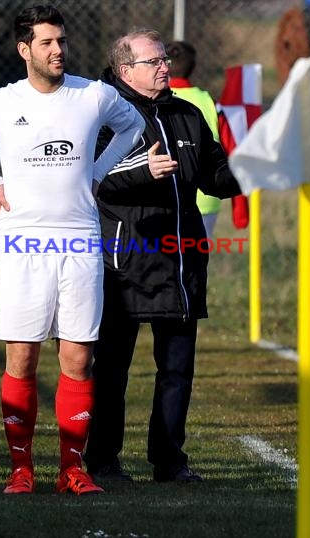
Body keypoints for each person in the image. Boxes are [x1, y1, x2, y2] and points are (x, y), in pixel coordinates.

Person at [0, 4, 144, 496]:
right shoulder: (1, 102)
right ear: (24, 49)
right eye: (47, 43)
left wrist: (97, 172)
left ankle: (73, 470)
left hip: (79, 240)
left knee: (77, 358)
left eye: (62, 41)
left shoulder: (93, 95)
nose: (58, 50)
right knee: (22, 357)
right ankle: (20, 470)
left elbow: (133, 126)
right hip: (22, 243)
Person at [84, 29, 241, 483]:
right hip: (124, 264)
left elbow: (215, 176)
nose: (164, 67)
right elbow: (90, 178)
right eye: (153, 62)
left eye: (164, 60)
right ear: (124, 70)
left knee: (177, 369)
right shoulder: (101, 115)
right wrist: (141, 172)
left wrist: (254, 168)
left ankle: (170, 460)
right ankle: (104, 461)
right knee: (112, 370)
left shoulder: (187, 114)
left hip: (181, 260)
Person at [165, 40, 221, 239]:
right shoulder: (209, 102)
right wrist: (241, 205)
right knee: (197, 263)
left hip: (168, 197)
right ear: (193, 66)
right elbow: (230, 150)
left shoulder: (155, 100)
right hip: (206, 199)